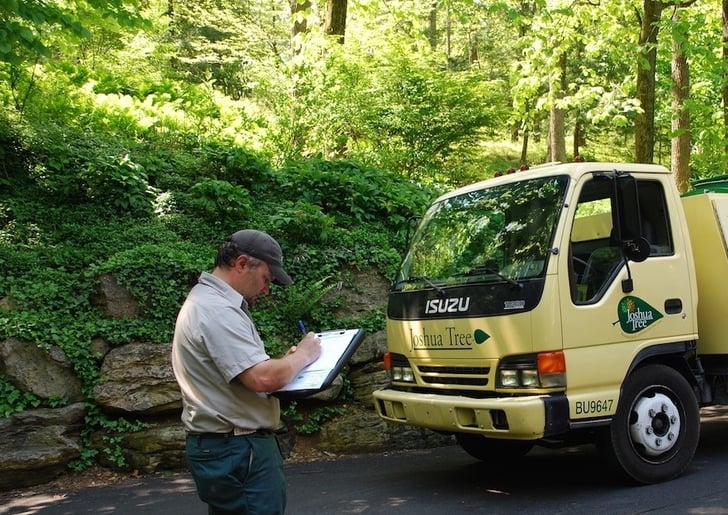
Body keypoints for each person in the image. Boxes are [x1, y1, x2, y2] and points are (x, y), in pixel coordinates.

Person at [172, 229, 322, 515]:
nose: (267, 289)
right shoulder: (217, 310)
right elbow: (261, 378)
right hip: (238, 448)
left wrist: (284, 365)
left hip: (228, 446)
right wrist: (303, 355)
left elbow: (251, 371)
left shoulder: (206, 301)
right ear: (242, 264)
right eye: (266, 278)